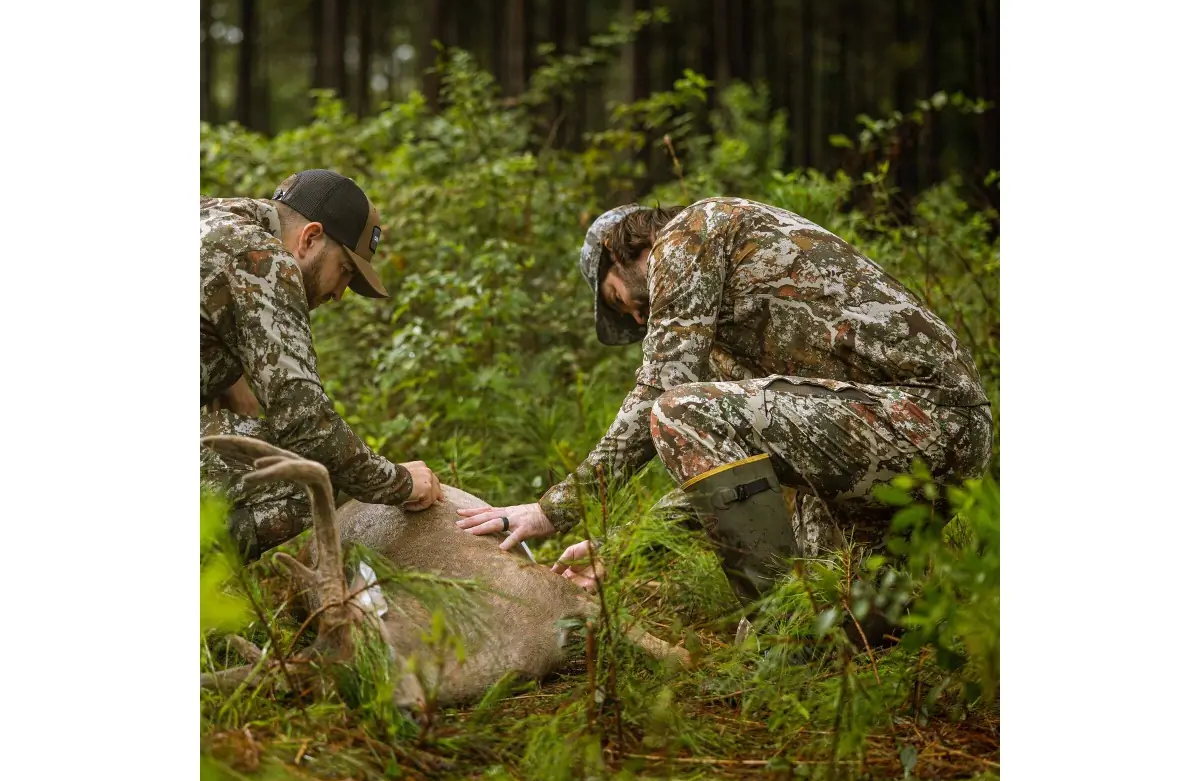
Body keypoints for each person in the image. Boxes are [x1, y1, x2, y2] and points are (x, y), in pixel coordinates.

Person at [455, 198, 992, 604]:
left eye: (618, 301)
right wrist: (626, 546)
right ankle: (815, 634)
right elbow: (733, 475)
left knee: (679, 408)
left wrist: (555, 509)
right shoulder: (735, 350)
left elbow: (662, 395)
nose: (638, 320)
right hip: (887, 440)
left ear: (621, 253)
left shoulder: (689, 234)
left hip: (931, 421)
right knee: (845, 618)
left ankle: (782, 630)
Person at [201, 169, 443, 560]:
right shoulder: (263, 260)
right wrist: (397, 481)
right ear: (310, 238)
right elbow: (305, 426)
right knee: (318, 475)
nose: (340, 294)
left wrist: (230, 380)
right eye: (345, 270)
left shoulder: (214, 217)